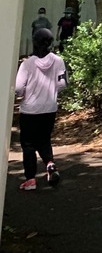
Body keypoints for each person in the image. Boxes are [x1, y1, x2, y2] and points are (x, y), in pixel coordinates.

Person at [14, 28, 68, 191]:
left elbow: (18, 88)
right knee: (44, 139)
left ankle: (30, 179)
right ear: (51, 42)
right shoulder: (58, 61)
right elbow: (63, 84)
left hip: (30, 110)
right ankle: (50, 164)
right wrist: (50, 92)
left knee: (28, 144)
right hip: (49, 108)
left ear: (34, 42)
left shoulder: (27, 64)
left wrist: (23, 94)